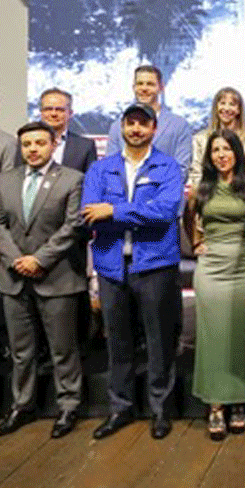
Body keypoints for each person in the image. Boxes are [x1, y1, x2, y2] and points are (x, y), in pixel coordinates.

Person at [85, 103, 184, 440]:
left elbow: (165, 211)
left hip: (155, 265)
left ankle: (160, 410)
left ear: (154, 128)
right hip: (112, 266)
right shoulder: (101, 169)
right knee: (118, 342)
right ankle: (120, 408)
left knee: (159, 342)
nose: (136, 129)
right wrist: (136, 211)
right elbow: (90, 212)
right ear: (121, 128)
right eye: (130, 123)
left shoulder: (167, 166)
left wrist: (113, 211)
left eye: (143, 123)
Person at [0, 122, 87, 439]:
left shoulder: (72, 179)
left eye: (40, 143)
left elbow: (73, 226)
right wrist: (17, 259)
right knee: (21, 351)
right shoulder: (5, 180)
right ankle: (22, 405)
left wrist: (39, 259)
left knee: (62, 349)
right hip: (13, 276)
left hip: (56, 277)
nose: (33, 149)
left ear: (54, 144)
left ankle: (68, 405)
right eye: (27, 144)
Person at [189, 130, 245, 440]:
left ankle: (239, 401)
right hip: (211, 270)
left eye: (227, 149)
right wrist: (196, 242)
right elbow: (188, 218)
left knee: (240, 338)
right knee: (212, 338)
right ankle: (216, 405)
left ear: (237, 153)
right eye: (215, 150)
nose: (221, 155)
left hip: (244, 267)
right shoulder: (201, 189)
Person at [106, 65, 192, 173]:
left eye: (150, 84)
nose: (144, 89)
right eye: (140, 84)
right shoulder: (117, 126)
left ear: (161, 87)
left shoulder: (179, 125)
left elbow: (181, 169)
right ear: (134, 87)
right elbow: (111, 168)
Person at [188, 87, 245, 188]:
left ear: (239, 110)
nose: (226, 108)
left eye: (232, 104)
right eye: (222, 103)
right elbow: (196, 173)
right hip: (208, 192)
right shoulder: (201, 139)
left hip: (241, 192)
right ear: (216, 107)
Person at [38, 88, 97, 173]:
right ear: (41, 112)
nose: (53, 114)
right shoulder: (23, 144)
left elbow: (91, 179)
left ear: (70, 113)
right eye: (48, 109)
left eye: (60, 110)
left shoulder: (85, 146)